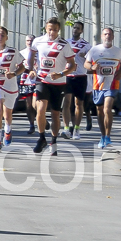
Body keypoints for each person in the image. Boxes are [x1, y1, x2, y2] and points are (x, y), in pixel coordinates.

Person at [28, 16, 76, 156]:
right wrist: (31, 69)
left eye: (55, 30)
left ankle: (53, 141)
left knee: (55, 114)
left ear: (59, 29)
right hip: (42, 80)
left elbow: (72, 65)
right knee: (40, 109)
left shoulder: (64, 45)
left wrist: (61, 74)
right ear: (46, 28)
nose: (52, 33)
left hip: (59, 83)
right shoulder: (38, 41)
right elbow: (31, 57)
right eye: (50, 29)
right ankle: (41, 137)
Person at [84, 27, 121, 148]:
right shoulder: (94, 50)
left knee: (107, 108)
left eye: (110, 34)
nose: (107, 36)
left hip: (112, 84)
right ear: (102, 36)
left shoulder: (118, 51)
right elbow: (86, 63)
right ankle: (102, 136)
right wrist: (92, 67)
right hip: (98, 84)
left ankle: (108, 136)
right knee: (100, 111)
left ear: (113, 37)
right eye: (105, 34)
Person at [62, 21, 91, 139]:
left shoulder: (86, 45)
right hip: (67, 76)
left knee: (78, 103)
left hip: (80, 76)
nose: (75, 30)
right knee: (66, 102)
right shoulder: (66, 43)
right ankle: (66, 128)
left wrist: (86, 57)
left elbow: (91, 60)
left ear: (81, 31)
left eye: (78, 28)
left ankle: (77, 129)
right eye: (74, 27)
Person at [18, 34, 37, 134]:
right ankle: (32, 125)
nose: (29, 42)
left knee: (36, 104)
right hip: (26, 79)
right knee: (28, 104)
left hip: (37, 79)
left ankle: (41, 118)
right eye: (28, 41)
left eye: (31, 41)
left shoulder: (38, 52)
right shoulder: (21, 53)